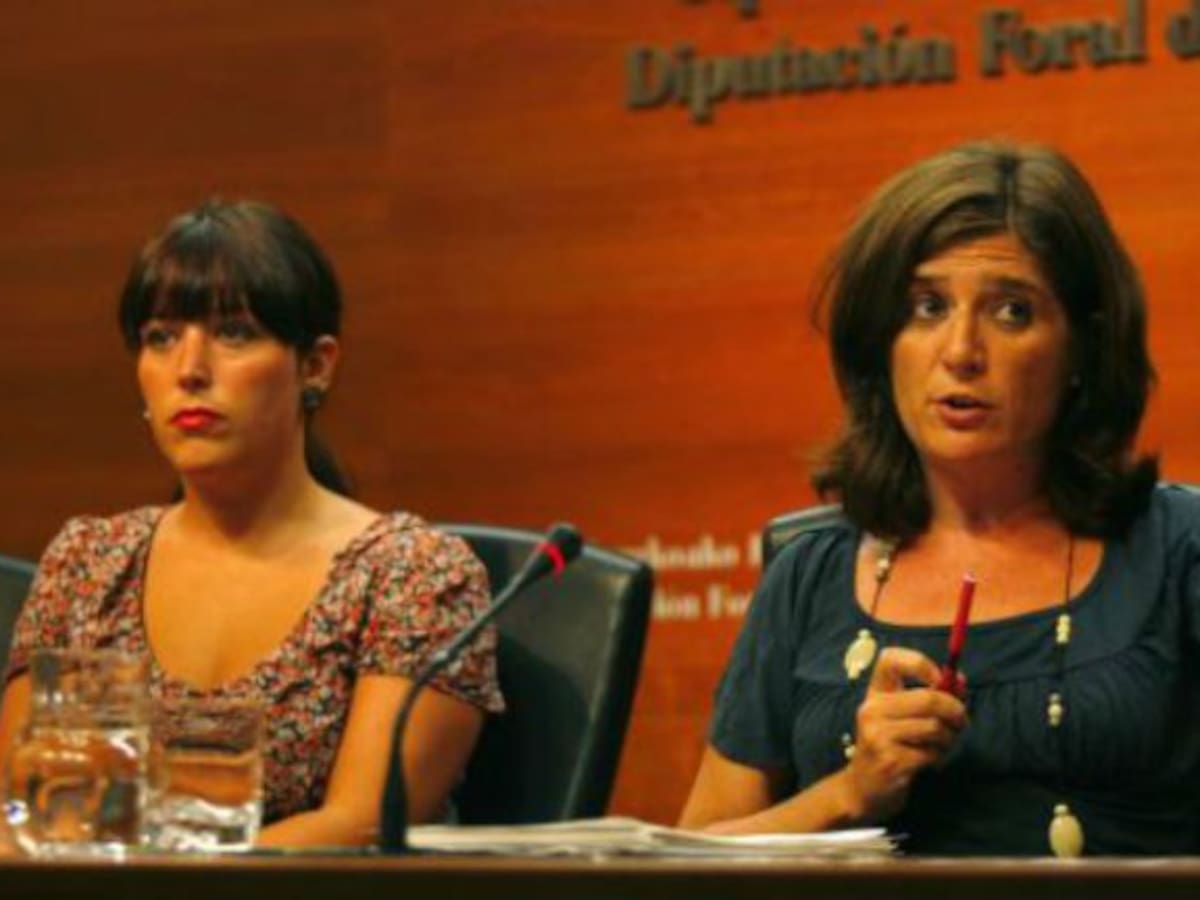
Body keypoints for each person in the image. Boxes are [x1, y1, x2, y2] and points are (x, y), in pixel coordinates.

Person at [678, 141, 1200, 856]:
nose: (960, 351)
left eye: (1011, 311)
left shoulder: (1177, 550)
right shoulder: (809, 577)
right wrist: (848, 794)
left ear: (1084, 347)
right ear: (881, 342)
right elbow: (688, 860)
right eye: (927, 307)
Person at [0, 200, 503, 847]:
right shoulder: (88, 563)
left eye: (234, 333)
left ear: (315, 365)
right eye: (161, 338)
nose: (189, 370)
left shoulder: (411, 575)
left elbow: (359, 829)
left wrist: (166, 887)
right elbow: (24, 816)